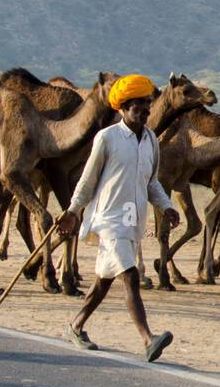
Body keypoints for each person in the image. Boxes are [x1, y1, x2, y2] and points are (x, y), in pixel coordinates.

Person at [60, 74, 180, 362]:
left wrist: (167, 206)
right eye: (138, 104)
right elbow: (88, 180)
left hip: (134, 222)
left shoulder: (151, 140)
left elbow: (151, 182)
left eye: (147, 104)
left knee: (104, 281)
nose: (145, 110)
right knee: (130, 275)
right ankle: (148, 339)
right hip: (108, 219)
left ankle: (75, 326)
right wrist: (73, 211)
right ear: (123, 107)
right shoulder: (107, 138)